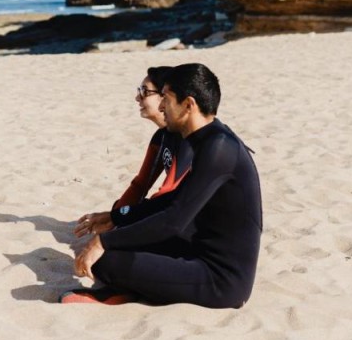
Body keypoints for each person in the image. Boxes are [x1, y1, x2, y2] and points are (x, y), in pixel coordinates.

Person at [66, 63, 262, 308]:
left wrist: (104, 242)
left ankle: (131, 292)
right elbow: (171, 201)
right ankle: (139, 286)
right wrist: (117, 217)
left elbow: (172, 220)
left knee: (105, 261)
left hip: (221, 280)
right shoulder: (209, 140)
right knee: (116, 245)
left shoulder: (218, 148)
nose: (160, 106)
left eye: (166, 99)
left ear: (188, 105)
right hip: (196, 250)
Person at [72, 66, 184, 240]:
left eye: (145, 92)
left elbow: (167, 195)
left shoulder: (188, 138)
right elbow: (140, 185)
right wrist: (115, 216)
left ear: (165, 95)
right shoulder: (161, 137)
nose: (137, 97)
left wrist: (118, 218)